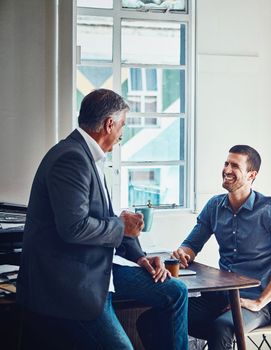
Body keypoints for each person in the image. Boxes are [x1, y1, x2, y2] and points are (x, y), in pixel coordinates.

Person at [17, 89, 188, 350]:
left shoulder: (89, 156)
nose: (122, 133)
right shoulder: (71, 158)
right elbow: (75, 228)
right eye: (122, 125)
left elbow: (104, 219)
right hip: (72, 285)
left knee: (176, 291)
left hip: (99, 270)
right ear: (109, 124)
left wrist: (138, 257)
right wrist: (122, 226)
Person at [172, 145, 271, 350]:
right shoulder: (214, 206)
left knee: (222, 328)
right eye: (226, 163)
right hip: (218, 296)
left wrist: (259, 302)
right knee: (160, 316)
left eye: (235, 166)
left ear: (251, 175)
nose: (227, 170)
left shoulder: (270, 208)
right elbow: (191, 245)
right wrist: (183, 253)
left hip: (252, 301)